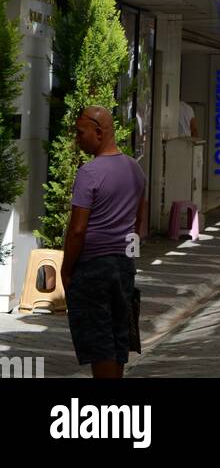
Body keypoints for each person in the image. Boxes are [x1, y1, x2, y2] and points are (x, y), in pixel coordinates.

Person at [62, 106, 146, 380]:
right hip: (123, 266)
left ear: (98, 132)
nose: (77, 139)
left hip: (93, 268)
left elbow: (77, 231)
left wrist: (66, 270)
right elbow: (137, 223)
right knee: (118, 336)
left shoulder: (89, 173)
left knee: (100, 342)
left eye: (80, 132)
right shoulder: (135, 169)